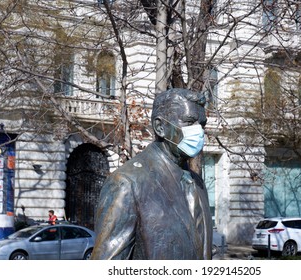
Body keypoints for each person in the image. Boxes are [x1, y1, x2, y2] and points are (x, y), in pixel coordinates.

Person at [91, 88, 213, 260]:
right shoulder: (127, 183)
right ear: (160, 127)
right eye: (189, 122)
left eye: (202, 124)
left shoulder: (197, 183)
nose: (199, 131)